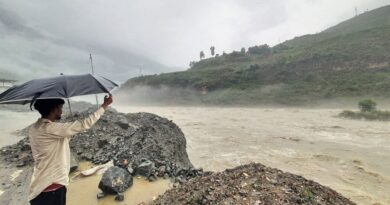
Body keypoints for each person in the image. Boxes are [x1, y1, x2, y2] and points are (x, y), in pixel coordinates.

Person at [28, 95, 113, 205]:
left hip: (39, 185)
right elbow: (84, 124)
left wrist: (71, 132)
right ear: (53, 109)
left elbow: (56, 141)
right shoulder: (50, 129)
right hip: (52, 187)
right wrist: (104, 105)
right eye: (60, 108)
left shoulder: (34, 128)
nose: (62, 111)